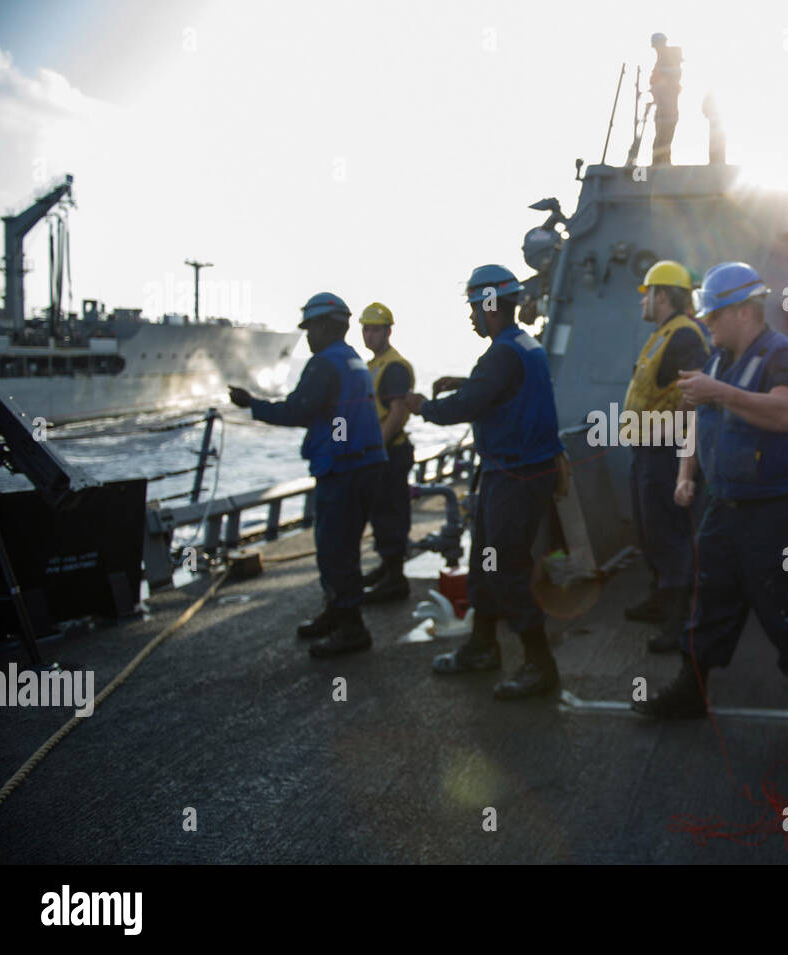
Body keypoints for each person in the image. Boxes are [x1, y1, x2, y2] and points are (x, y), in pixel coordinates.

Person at [632, 261, 788, 757]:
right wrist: (686, 475)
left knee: (785, 604)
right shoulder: (720, 361)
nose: (707, 324)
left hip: (778, 511)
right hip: (724, 508)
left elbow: (786, 410)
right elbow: (700, 424)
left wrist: (716, 392)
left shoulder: (787, 359)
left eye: (716, 315)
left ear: (745, 312)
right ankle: (691, 690)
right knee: (710, 603)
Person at [403, 264, 566, 700]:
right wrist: (465, 382)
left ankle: (540, 665)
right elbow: (498, 389)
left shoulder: (501, 354)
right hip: (516, 473)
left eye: (476, 307)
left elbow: (471, 403)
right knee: (485, 564)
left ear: (492, 305)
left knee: (506, 568)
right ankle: (482, 646)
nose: (472, 316)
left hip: (516, 476)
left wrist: (423, 406)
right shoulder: (521, 345)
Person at [229, 293, 387, 658]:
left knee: (335, 549)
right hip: (364, 463)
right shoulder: (353, 361)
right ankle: (336, 612)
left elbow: (298, 410)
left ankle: (351, 628)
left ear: (328, 326)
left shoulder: (325, 363)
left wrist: (252, 403)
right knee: (343, 546)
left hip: (345, 468)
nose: (308, 336)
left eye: (311, 327)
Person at [622, 259, 710, 653]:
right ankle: (661, 599)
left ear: (661, 294)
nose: (641, 301)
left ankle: (680, 623)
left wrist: (682, 458)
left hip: (667, 453)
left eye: (646, 293)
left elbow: (694, 398)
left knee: (672, 537)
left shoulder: (685, 337)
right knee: (650, 530)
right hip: (646, 451)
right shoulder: (663, 333)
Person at [358, 301, 415, 604]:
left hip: (389, 452)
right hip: (382, 451)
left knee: (391, 514)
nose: (369, 335)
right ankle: (387, 568)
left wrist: (375, 449)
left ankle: (395, 579)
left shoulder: (393, 366)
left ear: (388, 332)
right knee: (381, 514)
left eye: (375, 330)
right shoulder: (375, 365)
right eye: (365, 329)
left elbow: (395, 413)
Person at [649, 33, 682, 166]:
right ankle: (662, 163)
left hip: (667, 107)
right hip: (664, 106)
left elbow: (663, 82)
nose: (656, 50)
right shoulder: (663, 60)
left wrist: (657, 90)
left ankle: (660, 165)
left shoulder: (667, 61)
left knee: (663, 138)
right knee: (663, 138)